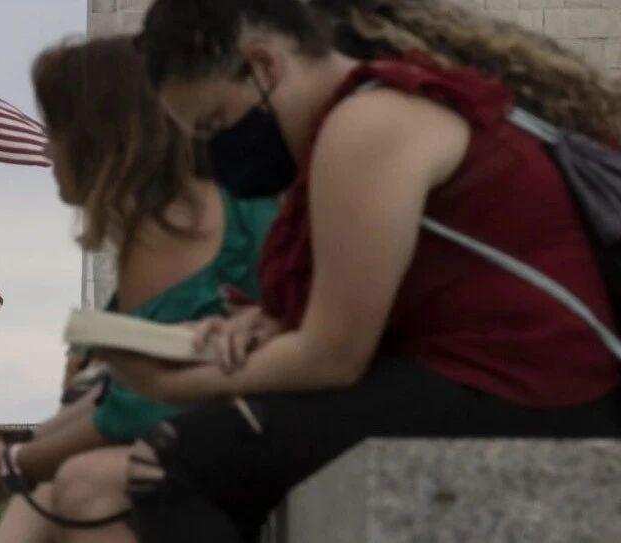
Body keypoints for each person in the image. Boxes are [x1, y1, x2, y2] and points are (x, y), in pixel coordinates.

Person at [46, 1, 618, 541]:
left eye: (215, 123)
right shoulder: (372, 107)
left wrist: (171, 383)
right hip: (514, 377)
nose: (217, 152)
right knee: (203, 451)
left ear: (265, 65)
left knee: (173, 465)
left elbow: (333, 355)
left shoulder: (364, 124)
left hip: (539, 389)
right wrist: (271, 325)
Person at [0, 37, 277, 542]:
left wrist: (13, 464)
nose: (45, 148)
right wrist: (27, 449)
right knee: (58, 487)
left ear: (102, 138)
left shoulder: (173, 226)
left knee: (80, 485)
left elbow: (138, 404)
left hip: (269, 437)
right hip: (225, 439)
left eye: (56, 131)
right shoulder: (178, 215)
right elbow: (121, 394)